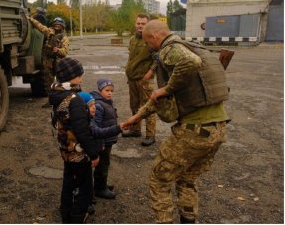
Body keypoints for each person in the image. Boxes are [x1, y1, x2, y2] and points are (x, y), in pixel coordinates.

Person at [123, 20, 229, 223]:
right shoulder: (191, 45)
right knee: (186, 178)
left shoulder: (169, 49)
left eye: (148, 42)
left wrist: (166, 88)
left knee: (159, 178)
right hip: (218, 128)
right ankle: (188, 220)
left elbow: (190, 63)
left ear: (154, 37)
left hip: (194, 130)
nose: (148, 46)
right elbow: (158, 99)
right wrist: (135, 118)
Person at [49, 57, 99, 224]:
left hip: (65, 150)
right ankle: (78, 216)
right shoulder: (74, 100)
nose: (81, 79)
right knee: (84, 185)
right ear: (71, 76)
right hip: (78, 152)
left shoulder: (56, 93)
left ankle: (66, 212)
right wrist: (93, 154)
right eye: (79, 75)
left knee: (69, 181)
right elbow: (82, 131)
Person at [122, 13, 157, 147]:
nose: (140, 26)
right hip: (132, 79)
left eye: (143, 24)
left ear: (147, 25)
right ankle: (136, 130)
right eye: (138, 23)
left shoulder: (151, 39)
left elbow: (158, 58)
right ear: (135, 24)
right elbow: (132, 57)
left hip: (144, 81)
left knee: (148, 107)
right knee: (134, 106)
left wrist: (150, 72)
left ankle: (150, 135)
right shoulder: (132, 39)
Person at [28, 16, 70, 108]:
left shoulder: (64, 38)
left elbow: (65, 51)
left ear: (62, 27)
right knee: (48, 84)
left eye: (59, 25)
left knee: (61, 83)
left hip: (58, 62)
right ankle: (51, 101)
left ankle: (63, 102)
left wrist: (58, 50)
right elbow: (40, 26)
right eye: (56, 25)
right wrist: (31, 19)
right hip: (48, 62)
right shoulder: (49, 32)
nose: (57, 26)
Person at [90, 78, 122, 199]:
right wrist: (101, 142)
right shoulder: (99, 105)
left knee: (104, 164)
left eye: (111, 90)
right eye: (106, 90)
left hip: (107, 139)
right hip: (103, 141)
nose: (110, 93)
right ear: (100, 90)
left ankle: (101, 183)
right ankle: (100, 188)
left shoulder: (106, 101)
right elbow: (96, 125)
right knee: (103, 164)